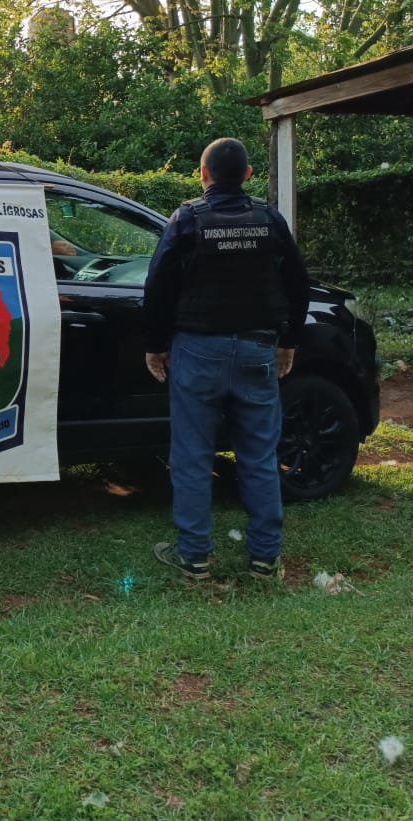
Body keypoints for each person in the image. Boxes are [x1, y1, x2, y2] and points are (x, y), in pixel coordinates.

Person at [141, 137, 311, 582]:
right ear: (248, 176)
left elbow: (157, 286)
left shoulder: (186, 220)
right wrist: (288, 342)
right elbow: (298, 283)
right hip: (257, 350)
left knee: (193, 456)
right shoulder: (269, 220)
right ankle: (265, 560)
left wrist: (155, 345)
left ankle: (195, 558)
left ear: (203, 174)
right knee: (258, 456)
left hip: (196, 350)